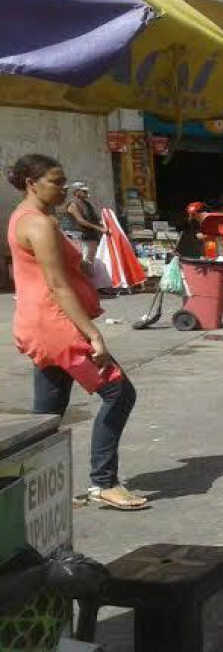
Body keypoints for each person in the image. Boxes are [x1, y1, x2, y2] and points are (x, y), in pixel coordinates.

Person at [7, 155, 146, 510]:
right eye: (56, 181)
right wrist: (93, 335)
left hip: (39, 324)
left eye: (64, 180)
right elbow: (57, 286)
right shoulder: (37, 224)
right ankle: (104, 482)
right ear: (31, 183)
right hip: (57, 326)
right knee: (119, 394)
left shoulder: (28, 217)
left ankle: (28, 487)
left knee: (47, 415)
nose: (64, 188)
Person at [60, 181, 106, 265]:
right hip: (78, 238)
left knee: (90, 262)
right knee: (83, 262)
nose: (86, 193)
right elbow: (80, 220)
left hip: (89, 237)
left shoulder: (87, 205)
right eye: (83, 191)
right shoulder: (73, 204)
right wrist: (99, 228)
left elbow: (94, 219)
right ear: (76, 192)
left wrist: (103, 225)